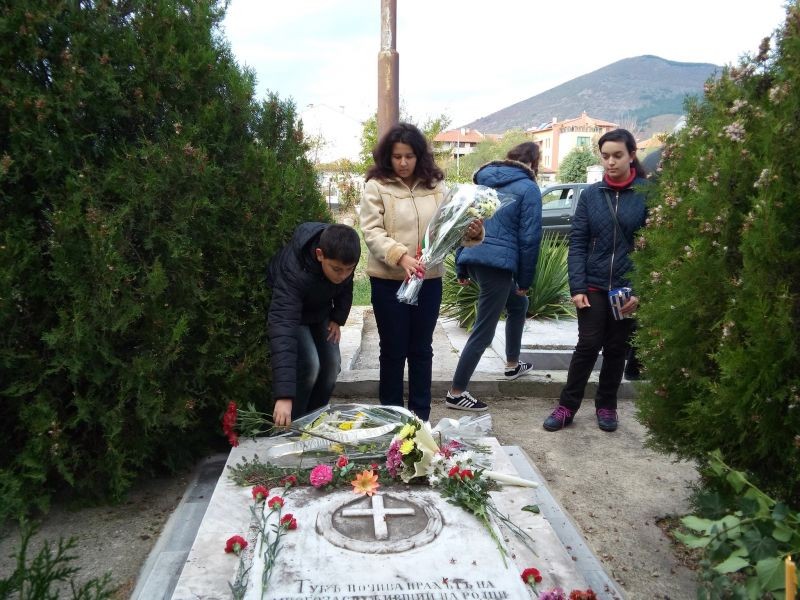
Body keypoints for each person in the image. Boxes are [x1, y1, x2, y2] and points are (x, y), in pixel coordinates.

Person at [360, 122, 483, 421]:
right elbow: (371, 231)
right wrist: (400, 256)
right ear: (387, 157)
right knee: (393, 349)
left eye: (409, 156)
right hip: (389, 282)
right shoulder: (377, 186)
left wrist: (471, 232)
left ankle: (420, 418)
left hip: (428, 281)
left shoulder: (436, 187)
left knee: (421, 349)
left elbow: (449, 228)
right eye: (397, 156)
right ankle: (391, 417)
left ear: (419, 156)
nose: (403, 163)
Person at [543, 128, 647, 433]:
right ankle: (567, 407)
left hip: (627, 288)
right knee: (587, 345)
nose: (611, 162)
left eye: (618, 155)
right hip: (593, 285)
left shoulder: (647, 195)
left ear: (631, 155)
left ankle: (607, 406)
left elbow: (655, 247)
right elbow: (577, 243)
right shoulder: (591, 195)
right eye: (605, 156)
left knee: (617, 347)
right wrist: (577, 287)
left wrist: (640, 290)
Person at [445, 142, 543, 412]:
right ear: (533, 163)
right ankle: (456, 392)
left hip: (475, 258)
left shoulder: (484, 182)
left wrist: (462, 265)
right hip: (497, 265)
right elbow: (530, 238)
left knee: (518, 304)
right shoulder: (529, 188)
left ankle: (512, 364)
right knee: (484, 331)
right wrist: (525, 280)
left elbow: (463, 222)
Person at [267, 222, 361, 427]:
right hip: (293, 314)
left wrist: (337, 318)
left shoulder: (344, 257)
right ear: (320, 255)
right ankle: (293, 426)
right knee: (310, 365)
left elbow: (346, 288)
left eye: (349, 269)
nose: (342, 276)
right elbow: (282, 326)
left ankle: (314, 421)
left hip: (320, 310)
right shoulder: (294, 270)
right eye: (337, 269)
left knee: (332, 365)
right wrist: (284, 396)